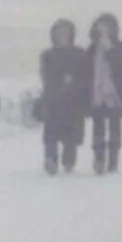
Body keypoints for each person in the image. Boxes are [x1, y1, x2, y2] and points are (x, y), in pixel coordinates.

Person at [39, 18, 89, 175]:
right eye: (59, 32)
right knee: (51, 133)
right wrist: (59, 82)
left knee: (71, 135)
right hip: (53, 98)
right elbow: (45, 75)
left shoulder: (80, 54)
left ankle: (69, 161)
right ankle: (50, 160)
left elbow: (85, 75)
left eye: (65, 32)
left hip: (73, 100)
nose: (62, 36)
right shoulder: (47, 55)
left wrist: (74, 83)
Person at [88, 13, 122, 175]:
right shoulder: (92, 50)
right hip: (96, 95)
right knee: (98, 128)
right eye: (101, 29)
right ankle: (99, 159)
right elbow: (86, 72)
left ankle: (113, 160)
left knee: (115, 128)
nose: (104, 32)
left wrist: (109, 48)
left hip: (115, 95)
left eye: (107, 28)